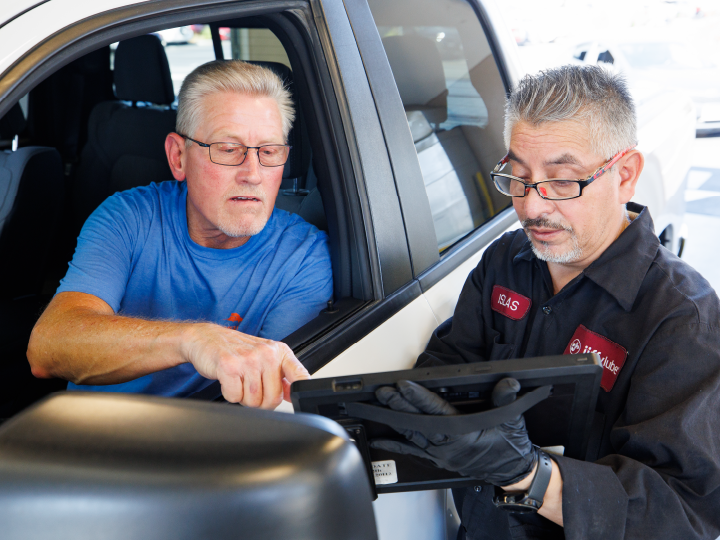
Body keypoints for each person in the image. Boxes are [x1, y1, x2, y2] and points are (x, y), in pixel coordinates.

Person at [372, 65, 720, 539]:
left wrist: (533, 478)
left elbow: (683, 515)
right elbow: (449, 364)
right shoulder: (505, 260)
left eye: (561, 181)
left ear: (625, 174)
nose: (532, 206)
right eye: (517, 177)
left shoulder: (681, 317)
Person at [27, 60, 333, 409]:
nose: (253, 174)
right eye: (228, 149)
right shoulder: (128, 217)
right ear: (178, 157)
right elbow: (48, 347)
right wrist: (194, 340)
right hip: (94, 437)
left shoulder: (303, 256)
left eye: (269, 151)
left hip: (203, 446)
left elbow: (270, 400)